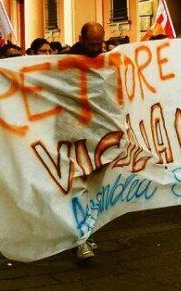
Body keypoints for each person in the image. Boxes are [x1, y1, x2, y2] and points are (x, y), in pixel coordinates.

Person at [66, 22, 105, 263]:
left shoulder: (107, 58)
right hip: (72, 133)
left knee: (93, 186)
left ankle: (87, 232)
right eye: (91, 44)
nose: (96, 49)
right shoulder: (64, 61)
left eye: (99, 44)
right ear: (81, 38)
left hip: (99, 134)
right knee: (76, 186)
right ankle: (80, 240)